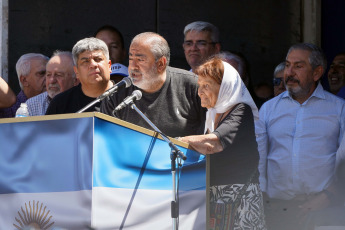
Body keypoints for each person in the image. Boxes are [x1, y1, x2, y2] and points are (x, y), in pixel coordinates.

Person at [256, 43, 345, 230]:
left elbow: (343, 160)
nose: (289, 72)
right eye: (288, 65)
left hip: (323, 209)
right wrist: (261, 196)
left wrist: (329, 195)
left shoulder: (339, 109)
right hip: (277, 209)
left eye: (298, 66)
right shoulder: (268, 109)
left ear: (317, 72)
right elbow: (259, 157)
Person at [178, 57, 266, 229]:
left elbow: (213, 144)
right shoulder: (212, 116)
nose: (199, 92)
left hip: (241, 202)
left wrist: (178, 142)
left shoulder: (241, 110)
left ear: (225, 87)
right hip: (217, 202)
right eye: (199, 86)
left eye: (206, 86)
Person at [101, 32, 206, 137]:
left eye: (140, 60)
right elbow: (106, 142)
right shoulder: (115, 95)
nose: (133, 67)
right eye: (131, 59)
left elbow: (210, 134)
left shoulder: (193, 86)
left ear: (160, 64)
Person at [46, 38, 113, 114]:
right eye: (85, 61)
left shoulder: (126, 98)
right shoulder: (60, 103)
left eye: (98, 59)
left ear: (109, 66)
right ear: (76, 71)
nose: (93, 65)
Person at [26, 51, 79, 116]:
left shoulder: (85, 102)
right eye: (48, 75)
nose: (52, 80)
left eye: (59, 75)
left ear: (76, 80)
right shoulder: (32, 105)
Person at [0, 53, 49, 118]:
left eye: (49, 73)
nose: (50, 79)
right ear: (24, 80)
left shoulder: (58, 102)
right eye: (41, 73)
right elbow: (10, 99)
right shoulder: (10, 109)